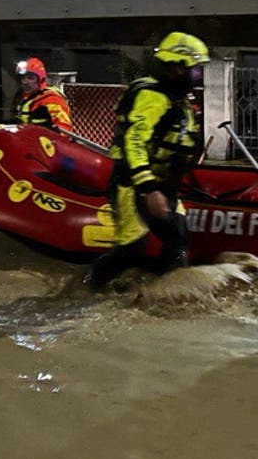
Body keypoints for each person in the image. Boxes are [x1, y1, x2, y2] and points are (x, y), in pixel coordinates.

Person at [83, 32, 210, 290]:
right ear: (177, 68)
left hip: (164, 184)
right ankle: (91, 287)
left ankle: (167, 295)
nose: (198, 74)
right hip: (133, 184)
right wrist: (149, 189)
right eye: (195, 68)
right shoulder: (152, 97)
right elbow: (134, 142)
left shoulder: (177, 99)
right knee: (132, 247)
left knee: (178, 241)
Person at [12, 57, 73, 131]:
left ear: (41, 79)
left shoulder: (52, 99)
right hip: (25, 139)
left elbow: (64, 129)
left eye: (30, 78)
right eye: (22, 78)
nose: (25, 82)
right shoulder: (21, 98)